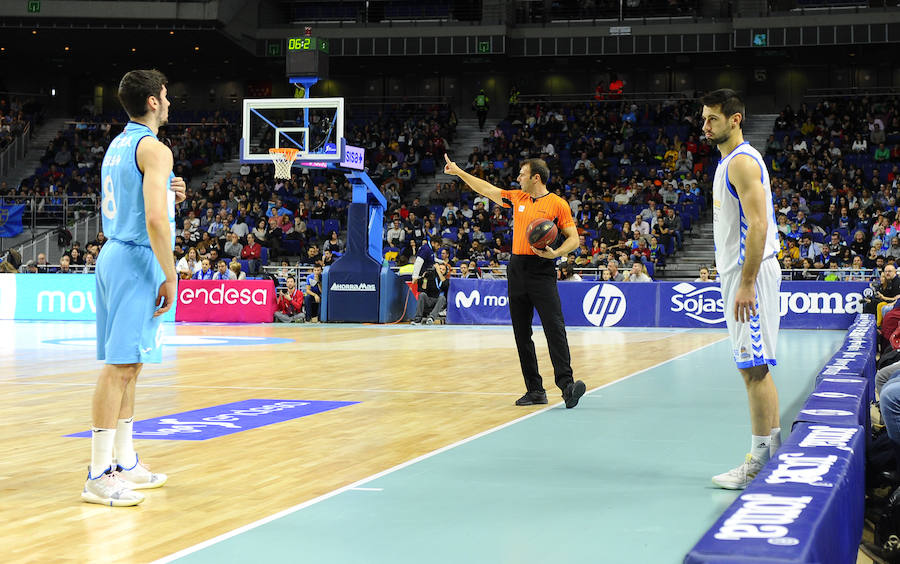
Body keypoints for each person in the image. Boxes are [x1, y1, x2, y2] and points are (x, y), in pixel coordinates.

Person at [85, 69, 184, 507]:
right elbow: (154, 220)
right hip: (136, 260)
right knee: (119, 367)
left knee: (131, 365)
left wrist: (170, 191)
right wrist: (171, 272)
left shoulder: (120, 144)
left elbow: (138, 199)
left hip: (114, 253)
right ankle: (97, 474)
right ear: (151, 102)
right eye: (165, 95)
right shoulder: (156, 148)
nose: (169, 102)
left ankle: (124, 461)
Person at [443, 154, 586, 408]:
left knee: (554, 327)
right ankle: (535, 390)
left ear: (536, 178)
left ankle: (567, 386)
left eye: (522, 174)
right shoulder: (517, 197)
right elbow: (486, 189)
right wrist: (459, 172)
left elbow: (573, 238)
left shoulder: (558, 204)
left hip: (542, 269)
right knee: (522, 333)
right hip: (517, 269)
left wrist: (556, 252)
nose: (518, 177)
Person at [702, 89, 782, 490]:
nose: (705, 126)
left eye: (712, 119)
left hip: (749, 275)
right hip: (741, 274)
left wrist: (747, 282)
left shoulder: (742, 163)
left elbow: (760, 224)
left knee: (752, 370)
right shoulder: (728, 163)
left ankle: (758, 461)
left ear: (735, 119)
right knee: (757, 368)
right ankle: (776, 452)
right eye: (704, 118)